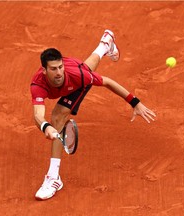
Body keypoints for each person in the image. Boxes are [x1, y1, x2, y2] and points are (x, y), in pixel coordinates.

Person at [30, 30, 156, 201]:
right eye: (53, 69)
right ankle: (105, 44)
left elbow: (107, 82)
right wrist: (46, 127)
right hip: (79, 69)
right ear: (44, 70)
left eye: (60, 67)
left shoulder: (76, 76)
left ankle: (53, 178)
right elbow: (38, 115)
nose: (58, 72)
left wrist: (135, 102)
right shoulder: (38, 84)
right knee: (86, 69)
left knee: (59, 116)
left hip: (76, 80)